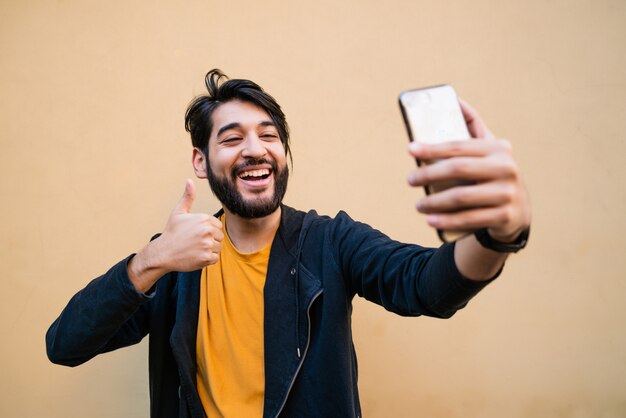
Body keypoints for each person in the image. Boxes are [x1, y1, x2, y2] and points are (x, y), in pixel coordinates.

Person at [46, 69, 531, 418]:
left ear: (282, 154)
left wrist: (497, 235)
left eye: (269, 135)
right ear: (201, 161)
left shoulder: (330, 241)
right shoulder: (173, 256)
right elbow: (64, 345)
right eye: (232, 138)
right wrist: (150, 261)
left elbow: (426, 285)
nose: (255, 148)